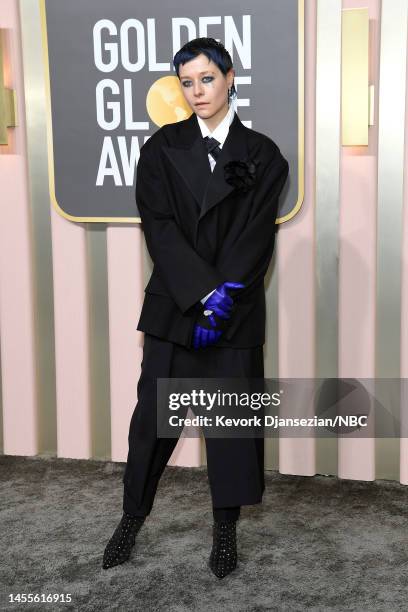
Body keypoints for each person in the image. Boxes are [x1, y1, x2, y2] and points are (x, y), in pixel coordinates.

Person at [102, 37, 289, 579]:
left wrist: (221, 302)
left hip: (233, 313)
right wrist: (201, 295)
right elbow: (157, 227)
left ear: (230, 77)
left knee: (229, 430)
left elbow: (255, 237)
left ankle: (225, 533)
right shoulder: (160, 148)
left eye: (207, 78)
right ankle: (131, 519)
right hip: (175, 308)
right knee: (152, 426)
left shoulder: (264, 154)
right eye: (187, 82)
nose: (197, 91)